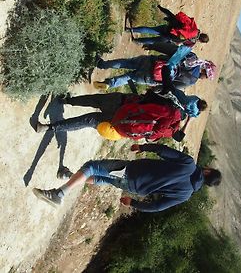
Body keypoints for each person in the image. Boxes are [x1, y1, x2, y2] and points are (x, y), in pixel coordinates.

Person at [32, 143, 222, 212]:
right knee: (101, 179)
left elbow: (163, 151)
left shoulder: (189, 164)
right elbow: (157, 206)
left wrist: (142, 147)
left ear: (207, 172)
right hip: (134, 188)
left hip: (132, 171)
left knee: (92, 166)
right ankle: (69, 176)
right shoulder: (185, 195)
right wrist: (133, 203)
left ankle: (59, 194)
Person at [34, 91, 207, 141]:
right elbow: (150, 137)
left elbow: (148, 103)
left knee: (95, 100)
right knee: (87, 121)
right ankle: (49, 128)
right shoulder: (168, 132)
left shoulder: (170, 111)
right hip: (120, 127)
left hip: (125, 105)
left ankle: (67, 100)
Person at [93, 52, 216, 90]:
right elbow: (171, 87)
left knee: (127, 63)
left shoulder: (193, 59)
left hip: (154, 62)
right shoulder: (191, 82)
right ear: (205, 75)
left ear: (205, 67)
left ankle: (101, 64)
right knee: (129, 77)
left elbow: (173, 51)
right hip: (153, 78)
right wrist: (155, 88)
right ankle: (109, 84)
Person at [126, 5, 209, 47]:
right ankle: (136, 41)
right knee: (152, 40)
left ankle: (130, 29)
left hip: (170, 27)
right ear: (201, 41)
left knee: (151, 29)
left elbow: (186, 20)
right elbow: (181, 43)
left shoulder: (195, 28)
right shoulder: (192, 41)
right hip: (169, 36)